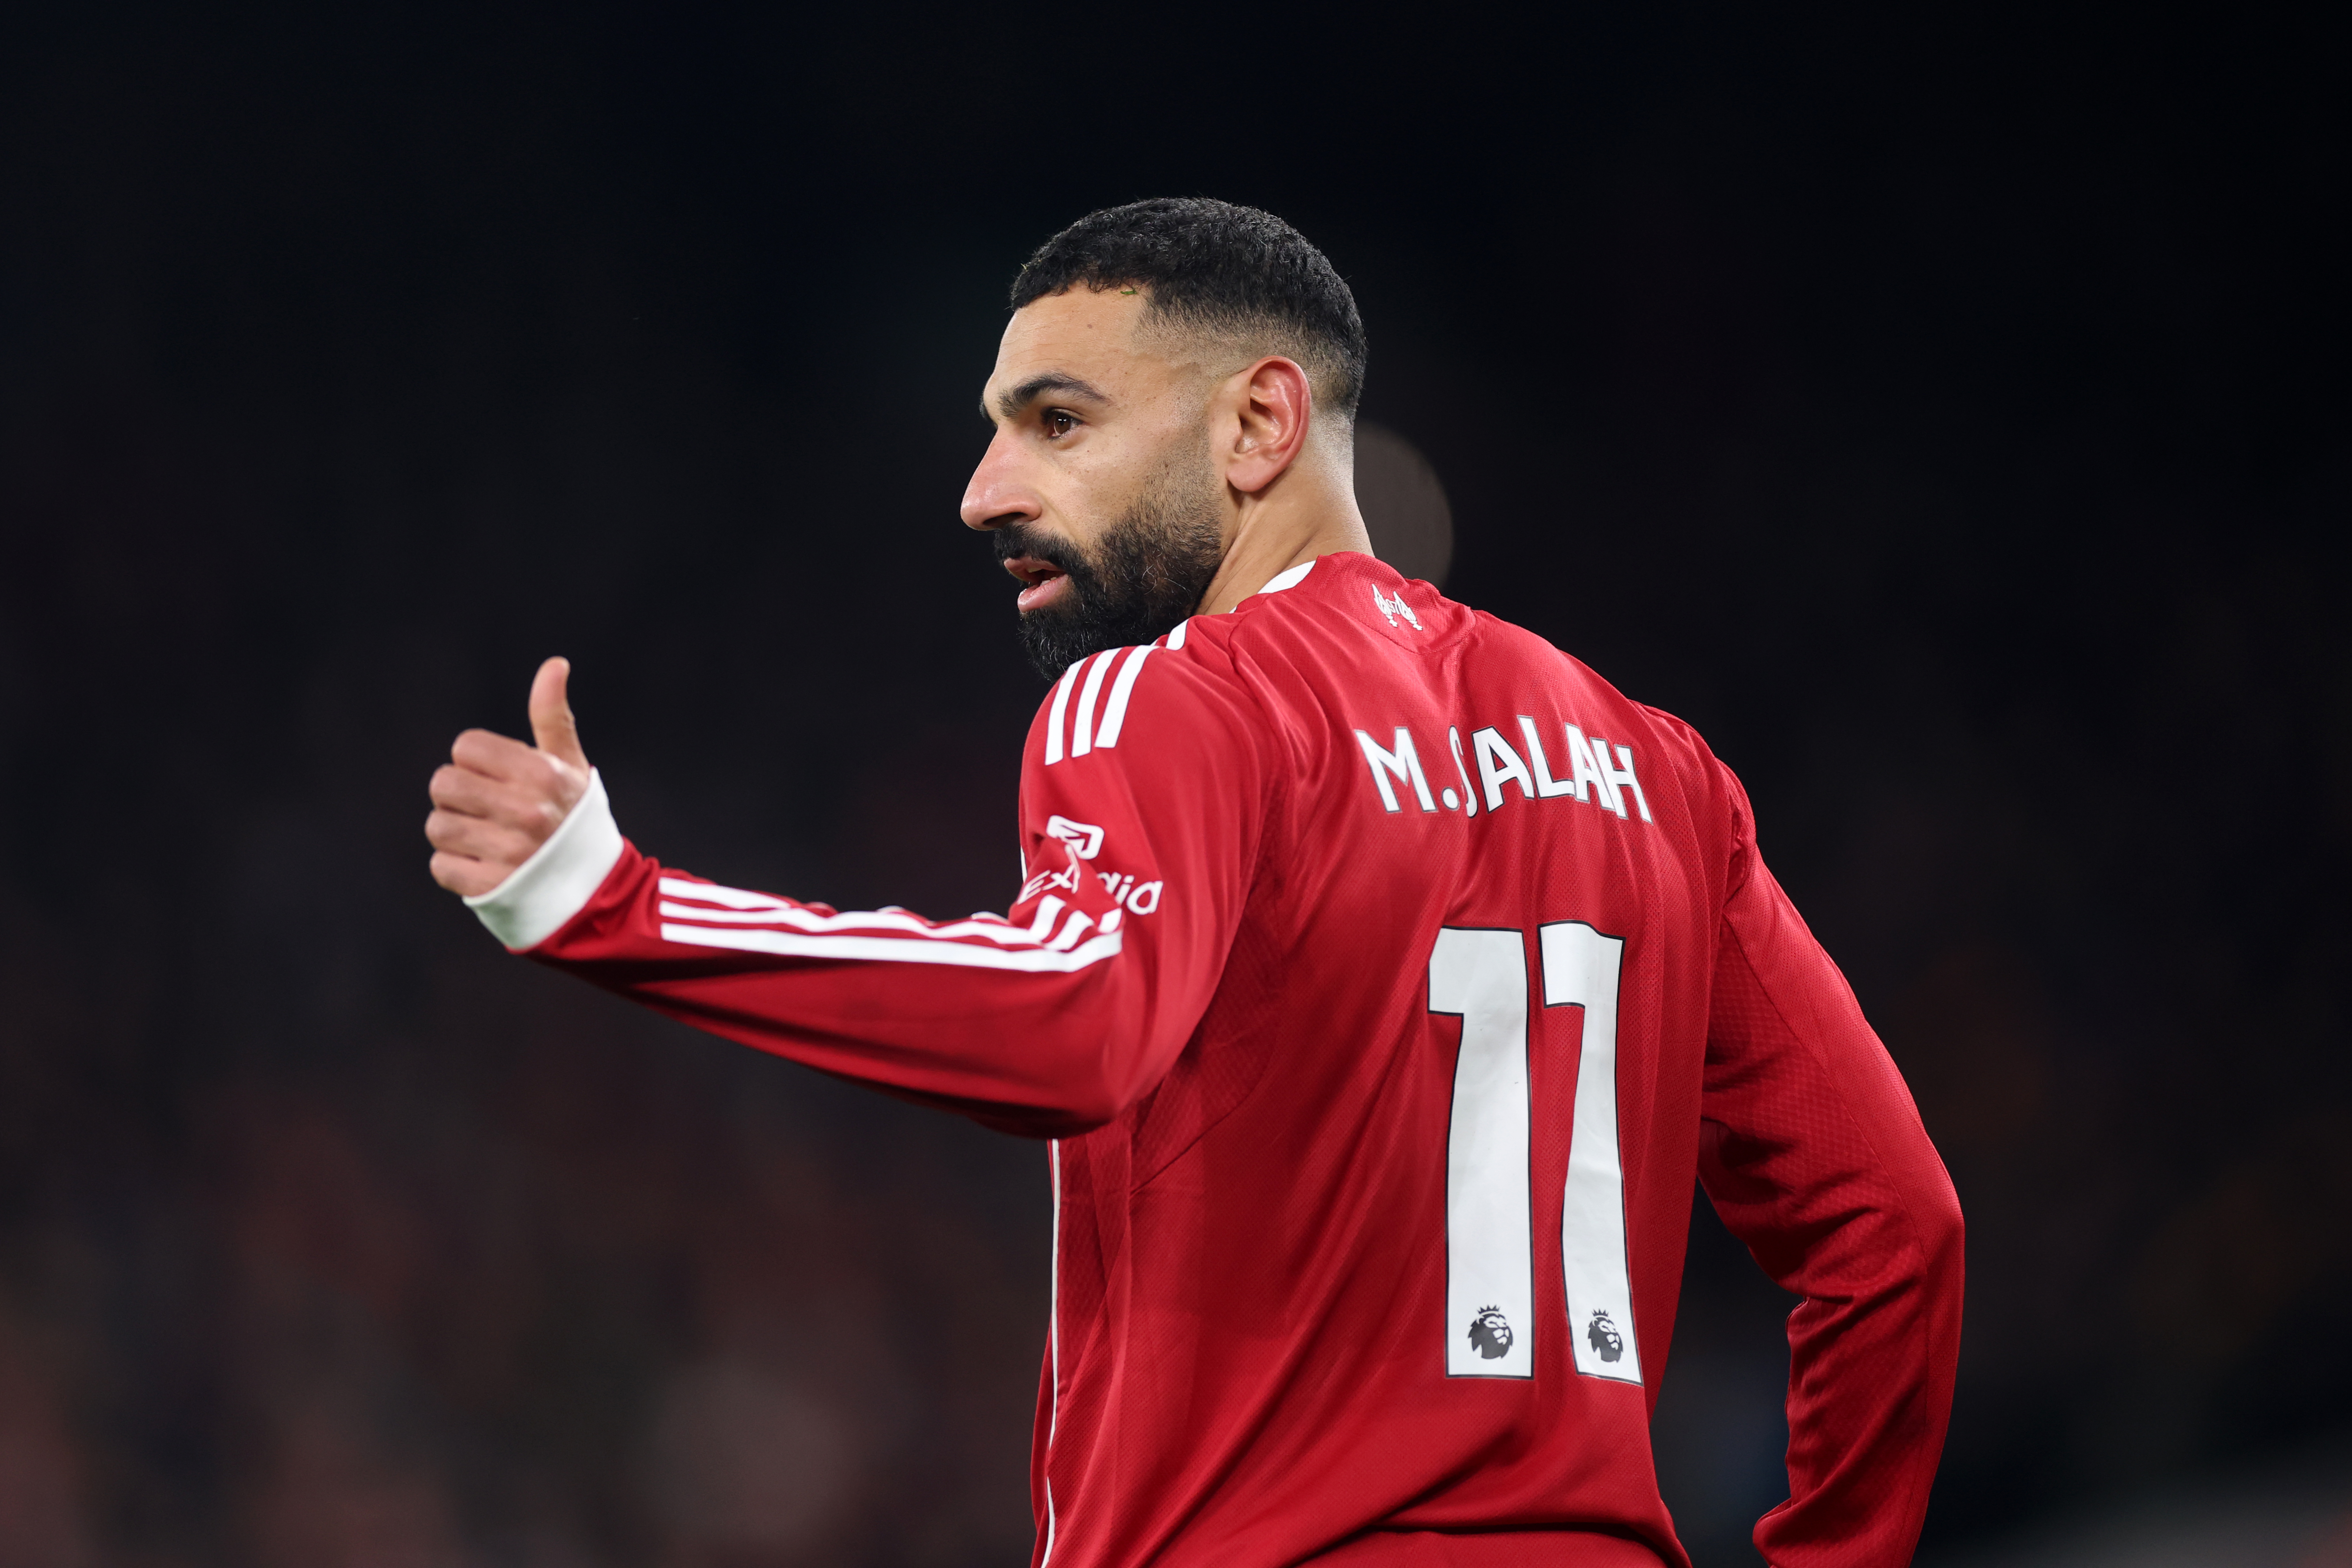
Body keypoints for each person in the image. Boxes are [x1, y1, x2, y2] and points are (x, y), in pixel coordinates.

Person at [424, 198, 1963, 1568]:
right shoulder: (1652, 765)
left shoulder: (1174, 698)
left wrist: (613, 901)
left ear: (1257, 425)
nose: (983, 489)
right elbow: (1894, 1228)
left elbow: (1074, 1023)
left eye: (1057, 421)